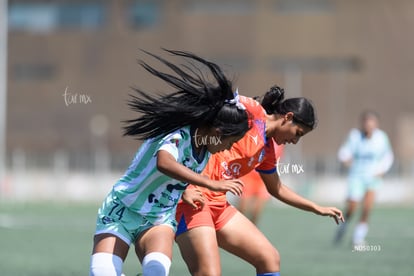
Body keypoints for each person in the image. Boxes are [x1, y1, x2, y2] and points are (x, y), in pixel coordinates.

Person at [89, 49, 250, 276]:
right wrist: (209, 183)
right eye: (232, 141)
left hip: (158, 219)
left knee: (156, 272)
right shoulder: (179, 134)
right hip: (122, 210)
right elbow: (164, 163)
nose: (229, 147)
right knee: (102, 273)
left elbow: (171, 178)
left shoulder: (204, 152)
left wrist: (184, 193)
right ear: (217, 131)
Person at [175, 85, 344, 276]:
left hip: (218, 206)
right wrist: (184, 187)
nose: (295, 141)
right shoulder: (253, 112)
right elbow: (214, 106)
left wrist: (316, 207)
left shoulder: (268, 151)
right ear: (287, 117)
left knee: (269, 258)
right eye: (297, 133)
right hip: (193, 202)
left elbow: (277, 189)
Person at [334, 110, 393, 247]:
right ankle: (343, 227)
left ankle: (358, 239)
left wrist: (382, 170)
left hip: (373, 177)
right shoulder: (354, 136)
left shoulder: (381, 137)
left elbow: (388, 156)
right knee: (352, 207)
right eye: (367, 122)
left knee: (367, 208)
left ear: (376, 124)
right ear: (362, 123)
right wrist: (345, 159)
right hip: (356, 177)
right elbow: (343, 152)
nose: (369, 126)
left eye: (372, 123)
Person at [237, 130, 284, 225]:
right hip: (249, 175)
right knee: (243, 207)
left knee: (257, 210)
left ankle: (251, 231)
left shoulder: (279, 142)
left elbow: (276, 160)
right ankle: (237, 228)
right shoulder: (258, 132)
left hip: (264, 178)